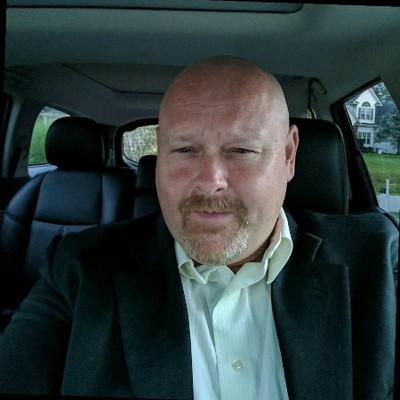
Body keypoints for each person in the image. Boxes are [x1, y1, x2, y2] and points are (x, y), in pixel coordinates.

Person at [0, 56, 397, 400]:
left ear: (289, 156)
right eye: (185, 149)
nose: (209, 182)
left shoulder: (379, 261)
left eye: (241, 150)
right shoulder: (79, 270)